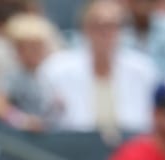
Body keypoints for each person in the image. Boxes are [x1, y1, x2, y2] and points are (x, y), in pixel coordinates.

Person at [39, 1, 157, 140]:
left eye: (111, 26)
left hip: (130, 148)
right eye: (97, 26)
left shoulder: (143, 69)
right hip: (75, 149)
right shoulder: (56, 69)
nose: (104, 33)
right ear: (84, 28)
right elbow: (46, 121)